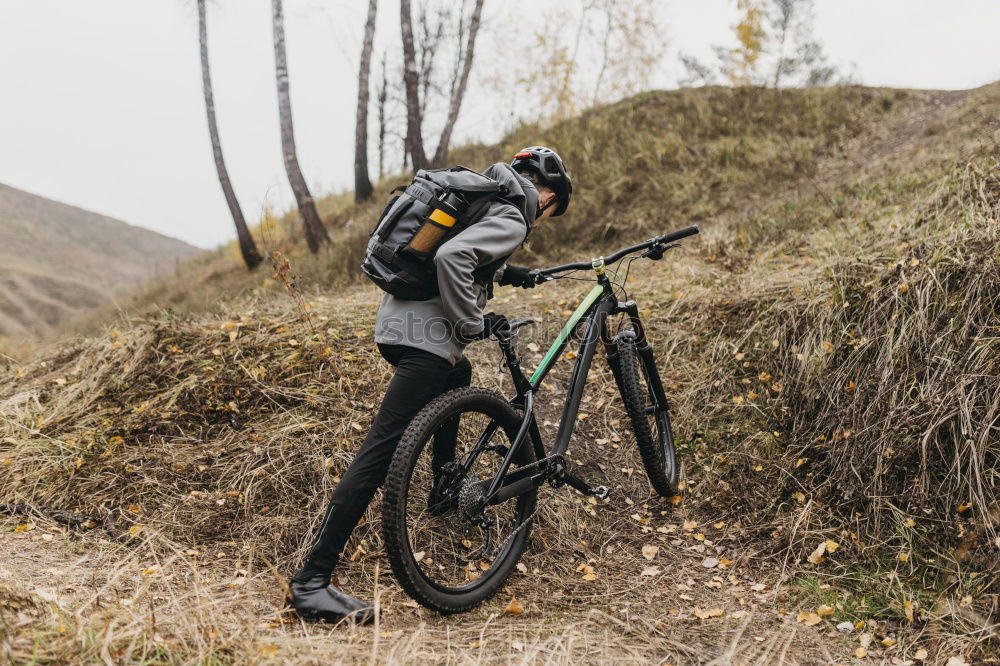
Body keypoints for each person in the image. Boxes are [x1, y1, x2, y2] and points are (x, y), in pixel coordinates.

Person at [287, 147, 573, 624]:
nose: (542, 222)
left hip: (397, 330)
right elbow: (454, 255)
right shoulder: (515, 215)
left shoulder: (483, 195)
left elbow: (464, 250)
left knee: (458, 378)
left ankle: (443, 479)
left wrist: (509, 272)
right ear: (546, 195)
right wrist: (470, 323)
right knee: (379, 453)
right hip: (427, 342)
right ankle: (311, 582)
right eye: (551, 212)